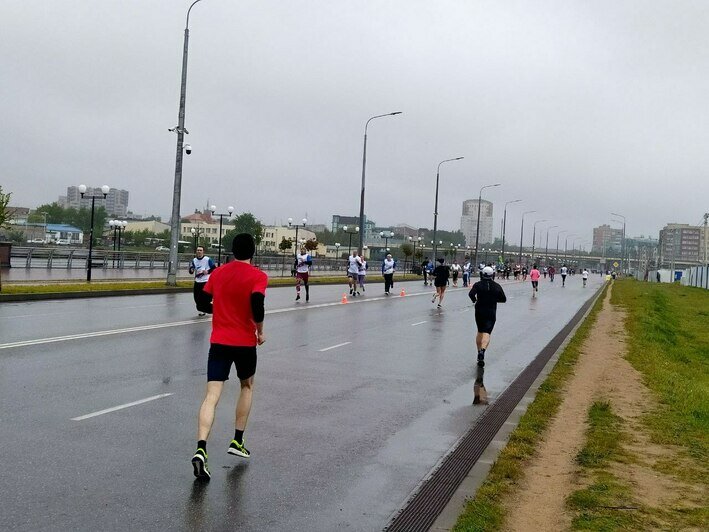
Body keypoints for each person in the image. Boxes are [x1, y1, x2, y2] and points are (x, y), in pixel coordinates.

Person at [191, 233, 267, 481]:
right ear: (252, 252)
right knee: (247, 386)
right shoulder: (258, 276)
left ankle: (201, 448)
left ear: (232, 251)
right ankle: (237, 440)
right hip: (244, 343)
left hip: (219, 342)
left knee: (211, 395)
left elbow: (202, 302)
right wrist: (260, 331)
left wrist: (218, 307)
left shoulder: (219, 273)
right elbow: (257, 305)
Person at [468, 266, 507, 371]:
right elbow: (503, 299)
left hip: (479, 310)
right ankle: (483, 351)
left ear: (482, 274)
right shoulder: (496, 286)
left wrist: (474, 300)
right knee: (487, 332)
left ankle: (478, 352)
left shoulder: (478, 285)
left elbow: (471, 294)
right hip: (491, 311)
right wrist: (494, 299)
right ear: (492, 275)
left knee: (480, 331)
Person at [188, 246, 216, 316]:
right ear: (196, 252)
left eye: (200, 250)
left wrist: (208, 271)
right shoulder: (194, 260)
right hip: (198, 281)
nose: (199, 252)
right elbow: (192, 268)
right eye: (198, 250)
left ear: (203, 252)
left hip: (205, 281)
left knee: (204, 298)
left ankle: (205, 310)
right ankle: (202, 309)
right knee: (196, 297)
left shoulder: (207, 259)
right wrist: (191, 270)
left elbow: (214, 268)